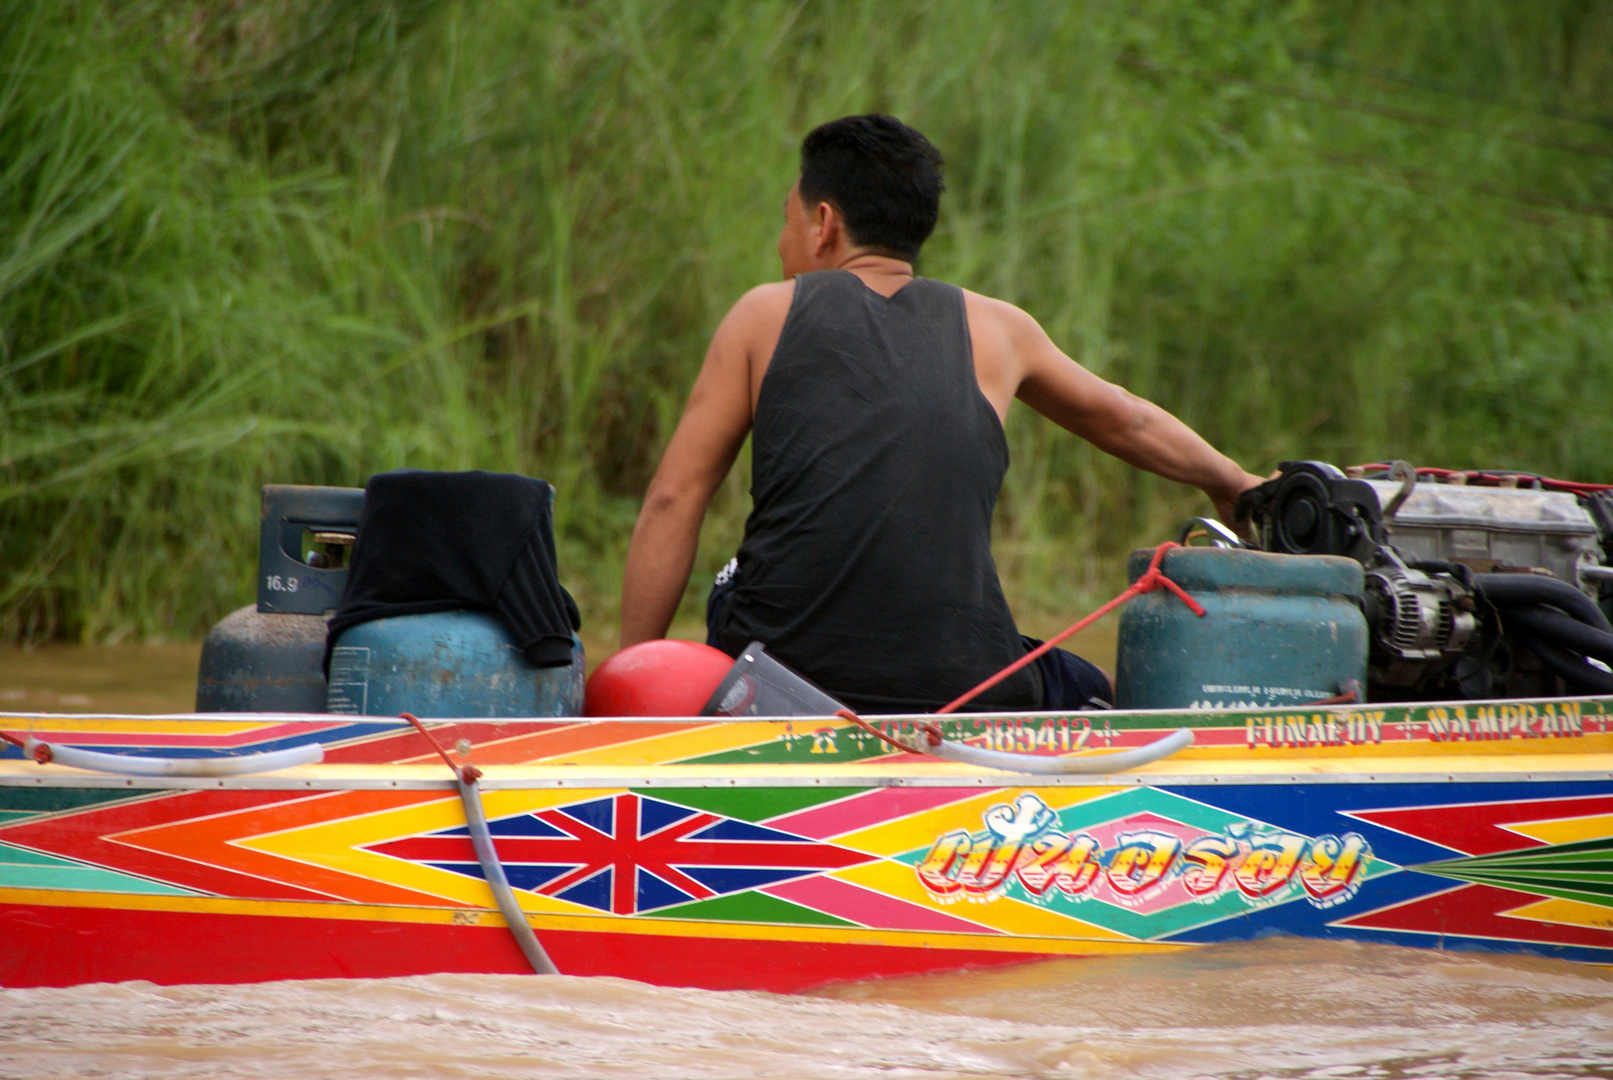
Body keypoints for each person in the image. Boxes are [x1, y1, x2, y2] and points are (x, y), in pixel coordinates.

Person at [619, 114, 1265, 714]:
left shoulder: (765, 313)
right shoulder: (999, 329)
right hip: (969, 686)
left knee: (734, 581)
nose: (780, 240)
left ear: (822, 222)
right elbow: (1126, 419)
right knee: (1089, 684)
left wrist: (633, 680)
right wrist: (1233, 483)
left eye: (784, 219)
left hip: (785, 680)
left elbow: (675, 499)